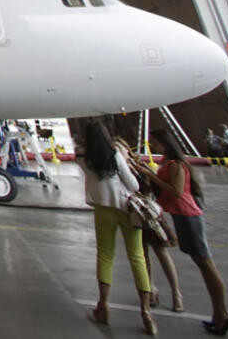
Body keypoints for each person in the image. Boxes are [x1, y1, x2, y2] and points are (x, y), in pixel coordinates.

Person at [135, 129, 228, 336]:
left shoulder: (175, 165)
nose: (153, 146)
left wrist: (149, 174)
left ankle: (223, 314)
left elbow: (177, 191)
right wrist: (147, 171)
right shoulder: (169, 162)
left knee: (207, 265)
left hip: (189, 217)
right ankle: (219, 315)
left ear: (164, 143)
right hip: (182, 217)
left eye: (155, 142)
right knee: (203, 264)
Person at [78, 122, 154, 334]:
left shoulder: (84, 159)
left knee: (105, 256)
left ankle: (103, 305)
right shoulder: (115, 155)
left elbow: (83, 157)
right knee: (137, 257)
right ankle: (146, 311)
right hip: (126, 209)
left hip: (103, 209)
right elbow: (134, 185)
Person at [114, 137, 184, 313]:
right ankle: (150, 289)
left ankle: (176, 294)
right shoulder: (123, 168)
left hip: (148, 214)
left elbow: (147, 188)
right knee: (143, 254)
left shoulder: (138, 168)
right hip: (135, 214)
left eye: (120, 150)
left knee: (161, 252)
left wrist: (143, 173)